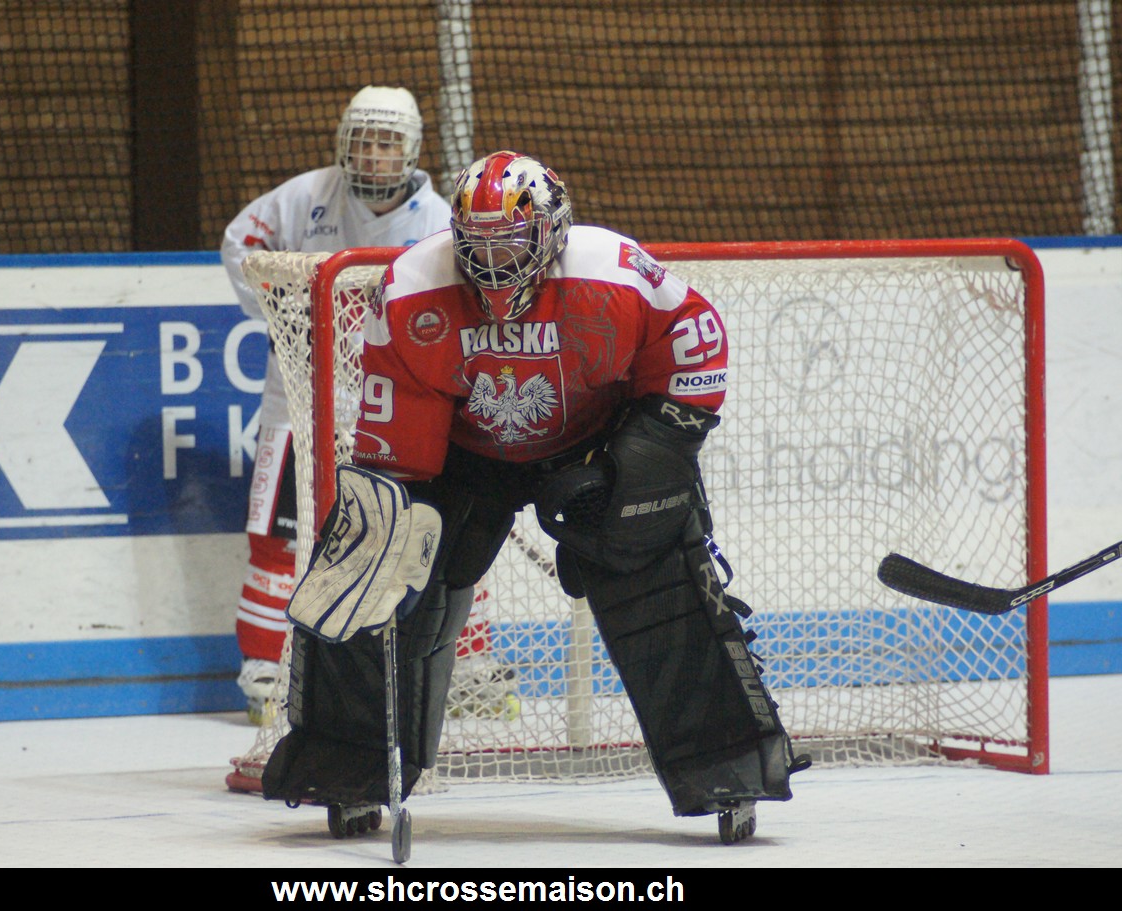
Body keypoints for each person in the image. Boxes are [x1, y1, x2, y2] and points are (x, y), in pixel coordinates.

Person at [259, 150, 808, 843]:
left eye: (510, 243)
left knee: (661, 575)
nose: (491, 263)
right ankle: (347, 765)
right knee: (375, 563)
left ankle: (729, 765)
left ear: (551, 232)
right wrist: (391, 524)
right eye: (477, 244)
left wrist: (643, 457)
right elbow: (401, 436)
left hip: (595, 444)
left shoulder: (612, 270)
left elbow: (693, 349)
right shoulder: (410, 289)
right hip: (461, 451)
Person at [220, 86, 513, 731]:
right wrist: (279, 302)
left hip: (395, 406)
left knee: (440, 531)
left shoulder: (438, 221)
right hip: (298, 403)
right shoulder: (304, 196)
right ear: (344, 143)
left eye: (387, 143)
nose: (374, 155)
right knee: (280, 536)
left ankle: (466, 662)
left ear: (410, 151)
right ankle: (266, 668)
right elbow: (240, 241)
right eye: (363, 140)